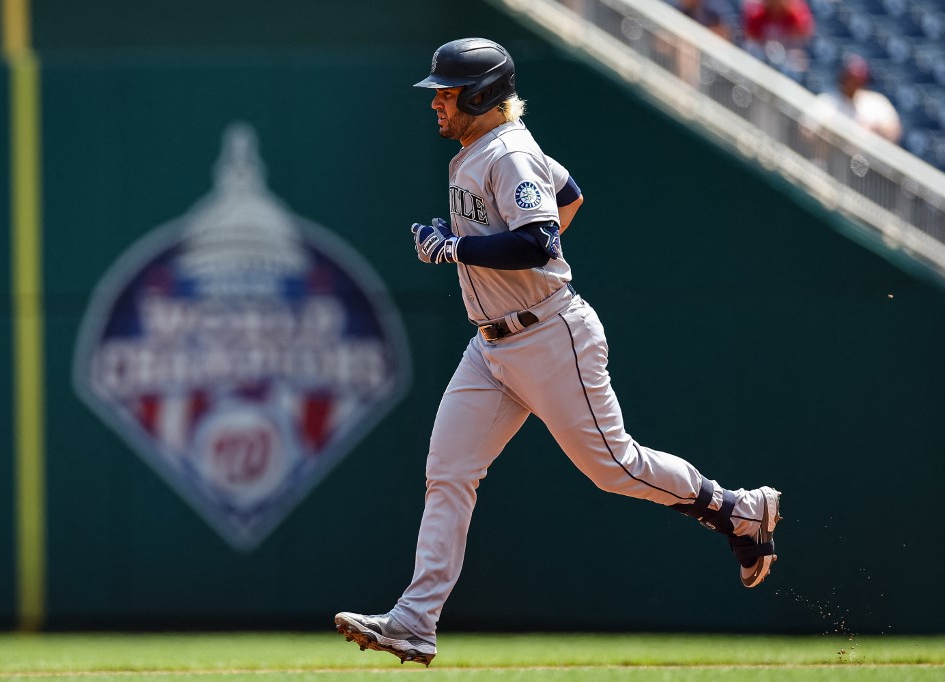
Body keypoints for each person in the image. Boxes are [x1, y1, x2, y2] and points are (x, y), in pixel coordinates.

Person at [334, 38, 782, 667]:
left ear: (482, 95)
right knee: (449, 473)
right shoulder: (493, 149)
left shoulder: (508, 151)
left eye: (447, 91)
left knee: (614, 468)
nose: (436, 102)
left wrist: (456, 248)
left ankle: (736, 509)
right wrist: (470, 246)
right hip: (490, 347)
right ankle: (414, 620)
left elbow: (540, 240)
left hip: (549, 334)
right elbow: (568, 194)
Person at [814, 54, 902, 143]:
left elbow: (894, 132)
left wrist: (876, 129)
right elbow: (807, 132)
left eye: (858, 81)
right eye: (850, 80)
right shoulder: (827, 101)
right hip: (832, 155)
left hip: (864, 155)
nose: (853, 85)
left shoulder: (875, 101)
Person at [741, 0, 814, 80]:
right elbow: (751, 43)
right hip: (762, 63)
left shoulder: (794, 17)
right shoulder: (756, 17)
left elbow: (799, 42)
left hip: (787, 63)